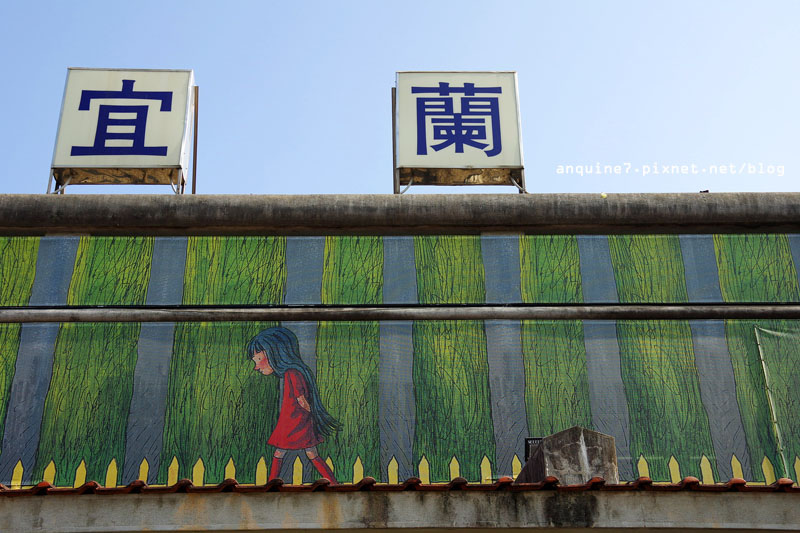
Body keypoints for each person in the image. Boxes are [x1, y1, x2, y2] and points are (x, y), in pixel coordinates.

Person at [247, 326, 341, 483]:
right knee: (309, 453)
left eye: (258, 359)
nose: (256, 366)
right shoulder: (293, 372)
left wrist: (315, 414)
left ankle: (271, 483)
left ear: (274, 353)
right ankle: (333, 482)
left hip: (294, 423)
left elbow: (301, 400)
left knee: (283, 452)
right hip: (295, 421)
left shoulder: (292, 373)